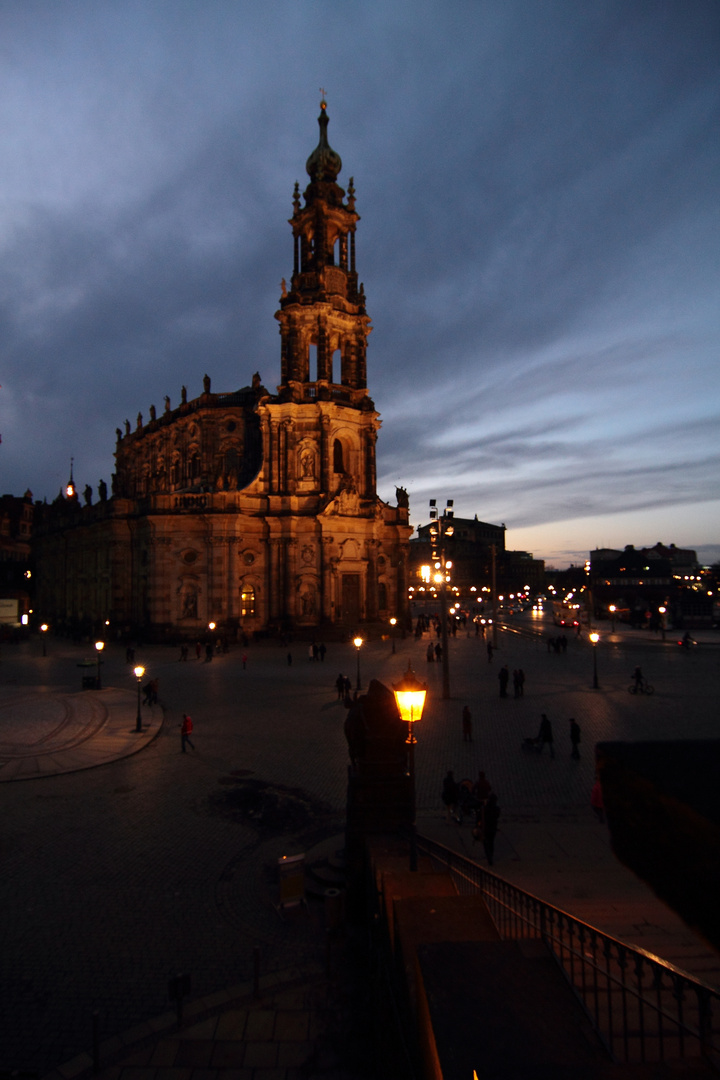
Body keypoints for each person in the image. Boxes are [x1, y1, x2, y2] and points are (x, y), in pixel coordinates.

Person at [479, 792, 501, 865]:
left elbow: (482, 816)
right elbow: (497, 816)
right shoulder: (496, 809)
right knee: (491, 842)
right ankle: (490, 855)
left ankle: (489, 856)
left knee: (486, 842)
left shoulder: (485, 808)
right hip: (493, 827)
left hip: (486, 827)